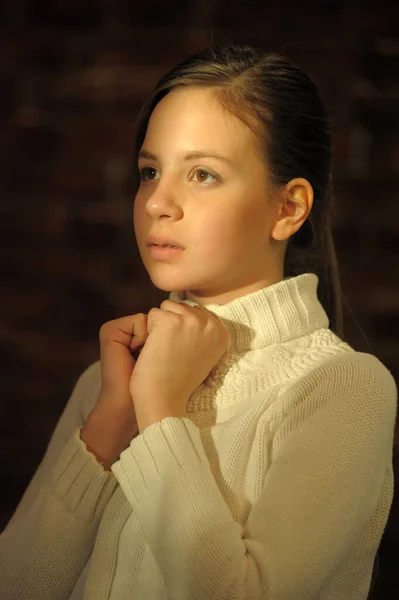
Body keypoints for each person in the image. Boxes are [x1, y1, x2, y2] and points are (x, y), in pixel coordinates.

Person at [0, 43, 397, 600]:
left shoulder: (341, 388)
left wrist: (160, 410)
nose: (158, 202)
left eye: (203, 174)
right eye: (149, 171)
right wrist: (111, 424)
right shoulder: (107, 383)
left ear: (289, 208)